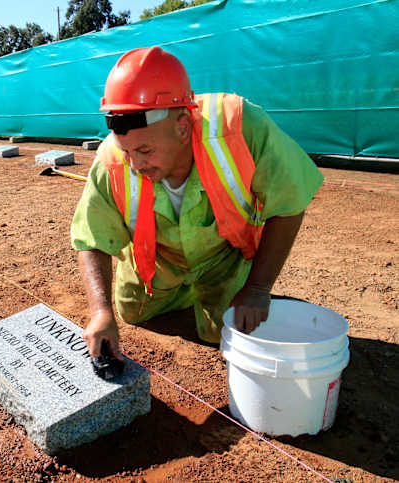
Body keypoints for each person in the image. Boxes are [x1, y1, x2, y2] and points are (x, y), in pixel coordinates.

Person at [71, 46, 324, 359]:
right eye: (127, 152)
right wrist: (100, 311)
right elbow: (90, 237)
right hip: (159, 263)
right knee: (131, 313)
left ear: (182, 127)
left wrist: (257, 290)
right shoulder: (111, 159)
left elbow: (289, 204)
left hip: (223, 258)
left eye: (146, 151)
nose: (135, 165)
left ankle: (229, 288)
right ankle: (179, 291)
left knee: (231, 332)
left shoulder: (240, 128)